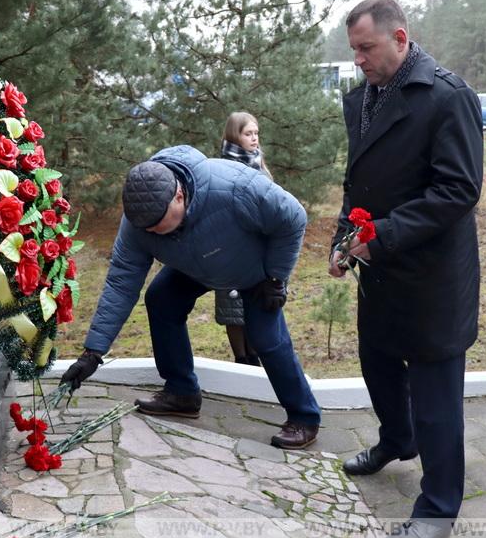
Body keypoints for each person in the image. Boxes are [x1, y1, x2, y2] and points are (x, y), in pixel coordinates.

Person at [329, 0, 483, 538]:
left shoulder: (446, 96)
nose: (358, 61)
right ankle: (398, 439)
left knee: (436, 395)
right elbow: (358, 185)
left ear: (400, 37)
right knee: (376, 361)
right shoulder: (363, 98)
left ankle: (438, 508)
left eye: (366, 48)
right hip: (380, 266)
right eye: (353, 51)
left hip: (433, 275)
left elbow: (459, 190)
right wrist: (345, 241)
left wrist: (383, 235)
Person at [60, 145, 321, 449]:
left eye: (159, 224)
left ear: (179, 195)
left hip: (254, 272)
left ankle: (304, 417)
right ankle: (182, 393)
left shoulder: (234, 187)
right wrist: (94, 352)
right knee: (162, 299)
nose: (154, 234)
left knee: (265, 337)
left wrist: (276, 276)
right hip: (195, 265)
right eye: (149, 230)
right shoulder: (139, 223)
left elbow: (293, 218)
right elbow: (121, 282)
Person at [215, 111, 271, 367]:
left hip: (258, 250)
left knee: (253, 306)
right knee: (232, 307)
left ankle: (254, 356)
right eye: (248, 134)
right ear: (234, 136)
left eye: (256, 133)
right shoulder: (222, 167)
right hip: (230, 249)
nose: (254, 139)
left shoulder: (259, 163)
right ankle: (241, 358)